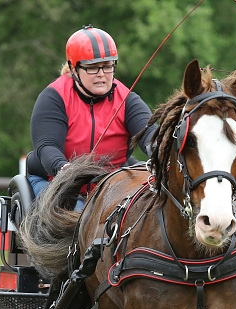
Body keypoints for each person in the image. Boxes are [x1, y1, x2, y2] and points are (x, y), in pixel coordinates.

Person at [26, 25, 157, 209]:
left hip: (110, 189)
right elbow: (47, 146)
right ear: (74, 68)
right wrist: (66, 170)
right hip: (55, 183)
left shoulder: (127, 100)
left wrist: (161, 151)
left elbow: (149, 133)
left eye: (107, 66)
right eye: (92, 68)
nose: (101, 75)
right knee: (77, 219)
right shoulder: (54, 97)